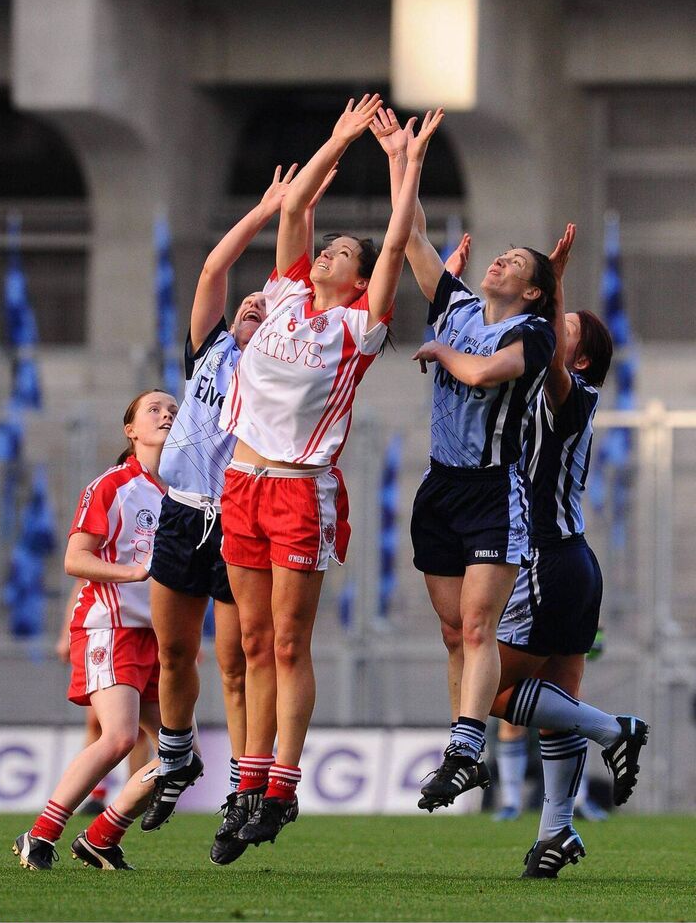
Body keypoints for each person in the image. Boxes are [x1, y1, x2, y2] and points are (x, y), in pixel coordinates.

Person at [217, 93, 441, 849]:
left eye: (343, 253)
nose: (328, 253)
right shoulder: (280, 296)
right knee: (250, 645)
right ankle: (245, 785)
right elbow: (295, 208)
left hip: (298, 490)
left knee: (286, 643)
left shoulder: (357, 328)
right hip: (240, 484)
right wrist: (338, 138)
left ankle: (280, 786)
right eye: (328, 247)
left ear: (356, 279)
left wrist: (401, 166)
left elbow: (398, 239)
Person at [140, 165, 333, 864]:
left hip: (241, 515)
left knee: (239, 660)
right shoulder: (211, 352)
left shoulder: (278, 368)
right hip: (184, 511)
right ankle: (177, 751)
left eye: (263, 306)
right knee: (172, 651)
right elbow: (214, 271)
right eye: (246, 305)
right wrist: (262, 210)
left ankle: (241, 789)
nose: (252, 306)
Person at [374, 105, 557, 807]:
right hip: (440, 490)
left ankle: (464, 748)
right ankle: (468, 752)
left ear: (534, 291)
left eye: (518, 261)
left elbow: (482, 375)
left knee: (479, 626)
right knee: (455, 631)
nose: (501, 258)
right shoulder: (453, 303)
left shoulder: (536, 333)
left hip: (493, 490)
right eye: (500, 254)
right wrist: (403, 159)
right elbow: (410, 235)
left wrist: (439, 351)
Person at [493, 224, 647, 877]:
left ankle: (617, 730)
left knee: (491, 693)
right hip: (574, 560)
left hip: (546, 559)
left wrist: (552, 283)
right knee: (558, 704)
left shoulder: (569, 391)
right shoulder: (546, 391)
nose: (557, 330)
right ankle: (557, 832)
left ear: (579, 358)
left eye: (569, 328)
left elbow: (548, 357)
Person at [13, 389, 178, 871]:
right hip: (111, 626)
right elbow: (74, 559)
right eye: (154, 409)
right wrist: (133, 572)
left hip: (155, 636)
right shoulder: (111, 485)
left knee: (178, 756)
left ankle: (101, 837)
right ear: (130, 430)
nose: (166, 415)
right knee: (120, 736)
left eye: (173, 410)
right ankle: (39, 834)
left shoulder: (180, 493)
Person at [55, 580, 152, 815]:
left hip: (147, 631)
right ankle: (96, 795)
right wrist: (65, 634)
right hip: (108, 631)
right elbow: (81, 583)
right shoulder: (111, 549)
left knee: (138, 728)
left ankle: (133, 797)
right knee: (99, 722)